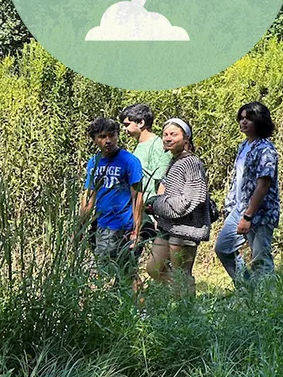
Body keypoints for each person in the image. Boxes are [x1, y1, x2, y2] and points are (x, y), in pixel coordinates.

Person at [216, 102, 280, 285]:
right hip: (239, 207)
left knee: (260, 257)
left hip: (260, 211)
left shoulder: (266, 149)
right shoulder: (244, 146)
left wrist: (248, 215)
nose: (244, 122)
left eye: (249, 118)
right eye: (241, 118)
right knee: (223, 248)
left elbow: (263, 184)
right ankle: (247, 289)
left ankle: (267, 302)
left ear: (259, 121)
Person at [144, 118, 209, 297]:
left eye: (174, 134)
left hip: (185, 229)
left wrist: (158, 205)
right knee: (153, 268)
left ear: (186, 138)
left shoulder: (191, 163)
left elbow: (192, 198)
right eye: (165, 134)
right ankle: (179, 295)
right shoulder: (175, 161)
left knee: (182, 274)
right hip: (167, 227)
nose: (168, 138)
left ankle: (186, 313)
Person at [80, 117, 144, 291]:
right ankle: (129, 308)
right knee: (124, 272)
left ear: (117, 136)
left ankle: (137, 310)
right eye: (102, 137)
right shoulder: (94, 162)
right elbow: (90, 196)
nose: (108, 141)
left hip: (121, 226)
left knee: (117, 271)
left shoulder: (129, 161)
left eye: (111, 135)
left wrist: (136, 231)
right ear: (94, 139)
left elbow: (137, 196)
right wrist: (79, 227)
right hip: (100, 225)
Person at [120, 104, 168, 257]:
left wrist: (158, 213)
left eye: (127, 124)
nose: (124, 129)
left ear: (140, 123)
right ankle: (133, 280)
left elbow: (162, 180)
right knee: (128, 255)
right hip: (138, 209)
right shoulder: (139, 146)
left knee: (160, 262)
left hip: (151, 211)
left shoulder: (157, 145)